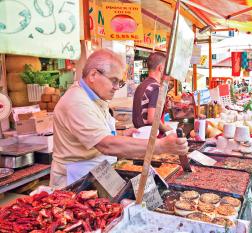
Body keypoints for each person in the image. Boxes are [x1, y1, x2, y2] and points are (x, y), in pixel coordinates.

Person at [50, 49, 188, 189]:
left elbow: (100, 133)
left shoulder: (96, 98)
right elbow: (106, 144)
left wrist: (121, 134)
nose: (116, 87)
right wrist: (160, 146)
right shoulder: (76, 102)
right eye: (114, 81)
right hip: (76, 181)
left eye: (119, 82)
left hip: (99, 172)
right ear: (93, 75)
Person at [132, 52, 172, 133]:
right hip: (149, 136)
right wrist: (165, 128)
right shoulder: (156, 87)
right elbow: (152, 119)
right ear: (161, 68)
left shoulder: (141, 85)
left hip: (139, 134)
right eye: (166, 68)